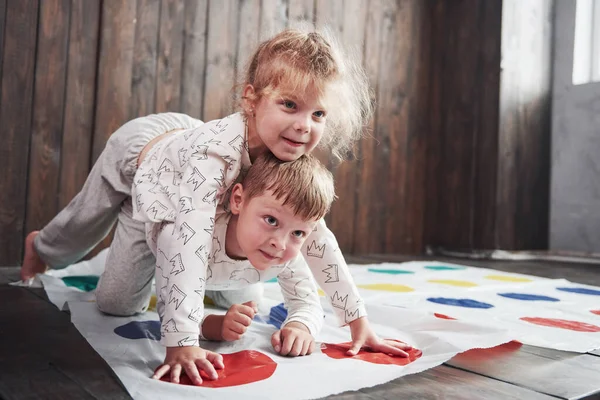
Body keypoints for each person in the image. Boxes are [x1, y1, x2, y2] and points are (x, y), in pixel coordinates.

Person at [20, 28, 411, 386]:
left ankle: (196, 291)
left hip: (187, 170)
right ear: (251, 99)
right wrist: (181, 341)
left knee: (244, 290)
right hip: (146, 156)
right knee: (97, 254)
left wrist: (357, 322)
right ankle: (42, 247)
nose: (305, 126)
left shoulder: (287, 151)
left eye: (318, 114)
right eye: (289, 105)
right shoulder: (212, 157)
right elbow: (187, 243)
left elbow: (316, 237)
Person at [150, 152, 332, 384]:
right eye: (271, 220)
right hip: (155, 229)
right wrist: (211, 326)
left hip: (226, 271)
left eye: (298, 233)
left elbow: (307, 302)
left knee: (250, 296)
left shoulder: (284, 252)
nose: (280, 243)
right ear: (238, 200)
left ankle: (216, 285)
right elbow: (171, 312)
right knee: (117, 303)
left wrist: (300, 326)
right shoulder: (191, 237)